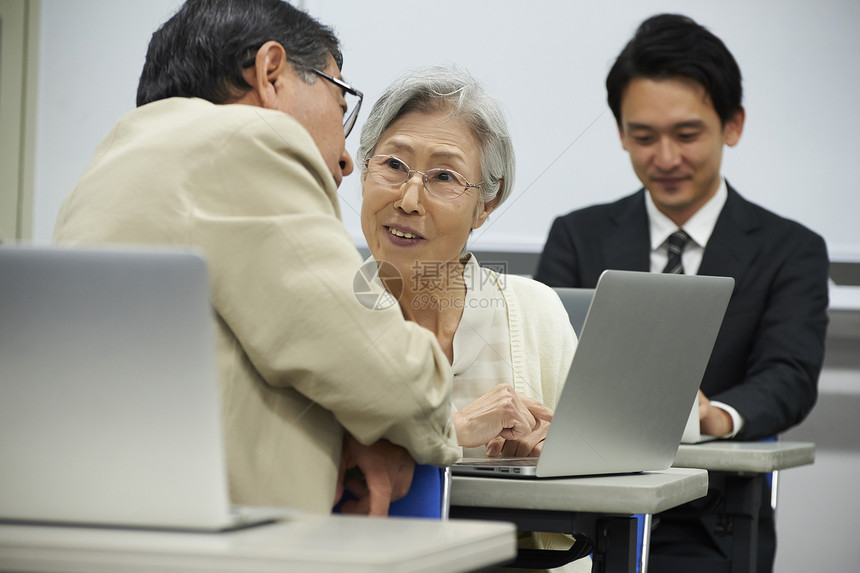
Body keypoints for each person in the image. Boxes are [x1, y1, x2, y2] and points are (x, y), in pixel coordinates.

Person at [52, 0, 524, 517]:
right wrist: (437, 426)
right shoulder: (247, 142)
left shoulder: (116, 156)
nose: (345, 159)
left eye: (443, 177)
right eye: (340, 103)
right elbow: (393, 377)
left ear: (487, 203)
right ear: (271, 73)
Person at [534, 14, 829, 572]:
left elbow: (789, 375)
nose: (665, 158)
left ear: (732, 124)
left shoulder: (792, 249)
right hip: (577, 513)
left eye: (687, 134)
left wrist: (715, 416)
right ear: (621, 132)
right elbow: (543, 357)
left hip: (712, 519)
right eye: (643, 137)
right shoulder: (577, 234)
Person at [357, 67, 586, 571]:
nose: (408, 200)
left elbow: (606, 476)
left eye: (443, 177)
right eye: (393, 165)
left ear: (487, 204)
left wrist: (555, 462)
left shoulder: (534, 312)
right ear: (362, 168)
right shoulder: (325, 310)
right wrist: (453, 429)